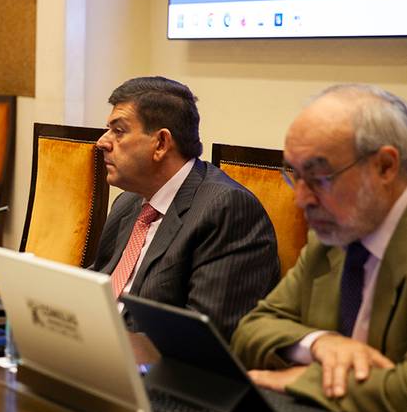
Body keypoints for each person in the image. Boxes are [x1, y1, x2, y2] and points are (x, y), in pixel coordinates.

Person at [231, 84, 407, 412]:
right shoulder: (330, 241)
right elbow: (250, 332)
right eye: (295, 174)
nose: (301, 199)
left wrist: (301, 380)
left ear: (385, 166)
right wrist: (319, 344)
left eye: (319, 178)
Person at [91, 76, 280, 340]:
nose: (102, 142)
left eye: (118, 131)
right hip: (99, 349)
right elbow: (99, 282)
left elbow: (205, 335)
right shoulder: (128, 202)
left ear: (161, 144)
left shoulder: (226, 210)